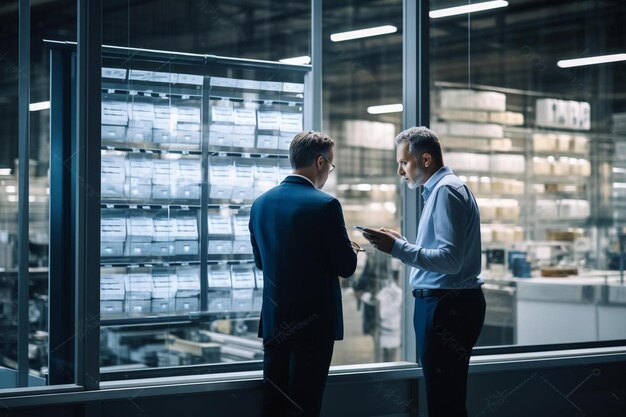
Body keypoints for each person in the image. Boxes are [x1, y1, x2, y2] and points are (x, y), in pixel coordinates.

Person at [361, 126, 486, 417]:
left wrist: (398, 249)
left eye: (404, 162)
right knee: (446, 396)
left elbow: (450, 261)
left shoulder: (446, 192)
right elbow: (447, 253)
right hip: (448, 304)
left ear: (426, 160)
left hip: (446, 307)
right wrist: (402, 243)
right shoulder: (444, 190)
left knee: (444, 401)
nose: (400, 171)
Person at [249, 130, 359, 417]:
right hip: (312, 328)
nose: (328, 173)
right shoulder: (325, 205)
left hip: (275, 324)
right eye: (330, 165)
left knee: (274, 407)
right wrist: (352, 248)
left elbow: (262, 262)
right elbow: (346, 267)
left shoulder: (260, 204)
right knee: (305, 407)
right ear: (320, 163)